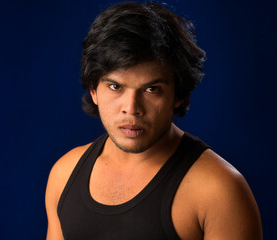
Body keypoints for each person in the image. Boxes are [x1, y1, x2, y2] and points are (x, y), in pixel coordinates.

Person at [45, 2, 263, 239]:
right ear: (93, 90)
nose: (132, 108)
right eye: (115, 86)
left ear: (177, 95)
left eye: (151, 89)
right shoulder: (64, 174)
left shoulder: (218, 190)